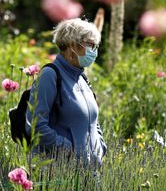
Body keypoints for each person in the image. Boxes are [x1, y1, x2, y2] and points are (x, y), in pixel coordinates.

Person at [26, 18, 107, 165]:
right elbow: (35, 125)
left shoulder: (82, 78)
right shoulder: (50, 75)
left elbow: (93, 121)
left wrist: (100, 147)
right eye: (90, 45)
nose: (94, 51)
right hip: (60, 174)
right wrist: (68, 149)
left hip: (90, 174)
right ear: (72, 46)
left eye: (96, 46)